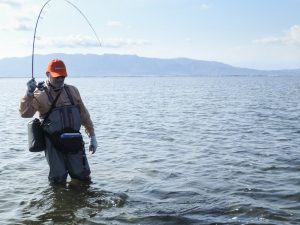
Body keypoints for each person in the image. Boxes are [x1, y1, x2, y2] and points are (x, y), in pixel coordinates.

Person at [19, 59, 98, 184]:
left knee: (83, 177)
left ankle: (81, 201)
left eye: (63, 76)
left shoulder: (73, 91)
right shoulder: (39, 94)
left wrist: (92, 136)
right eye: (57, 76)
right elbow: (25, 114)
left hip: (74, 141)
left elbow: (84, 115)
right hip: (53, 144)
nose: (60, 79)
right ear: (47, 74)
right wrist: (28, 93)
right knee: (58, 179)